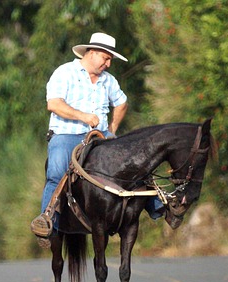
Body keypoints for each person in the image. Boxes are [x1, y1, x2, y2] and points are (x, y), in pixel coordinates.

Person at [30, 32, 165, 243]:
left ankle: (158, 205)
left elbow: (122, 103)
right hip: (66, 134)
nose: (108, 64)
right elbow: (54, 104)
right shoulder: (64, 72)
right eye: (106, 58)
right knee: (56, 172)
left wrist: (112, 128)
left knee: (133, 161)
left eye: (110, 59)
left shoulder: (108, 81)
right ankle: (48, 222)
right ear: (92, 53)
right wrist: (83, 116)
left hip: (99, 138)